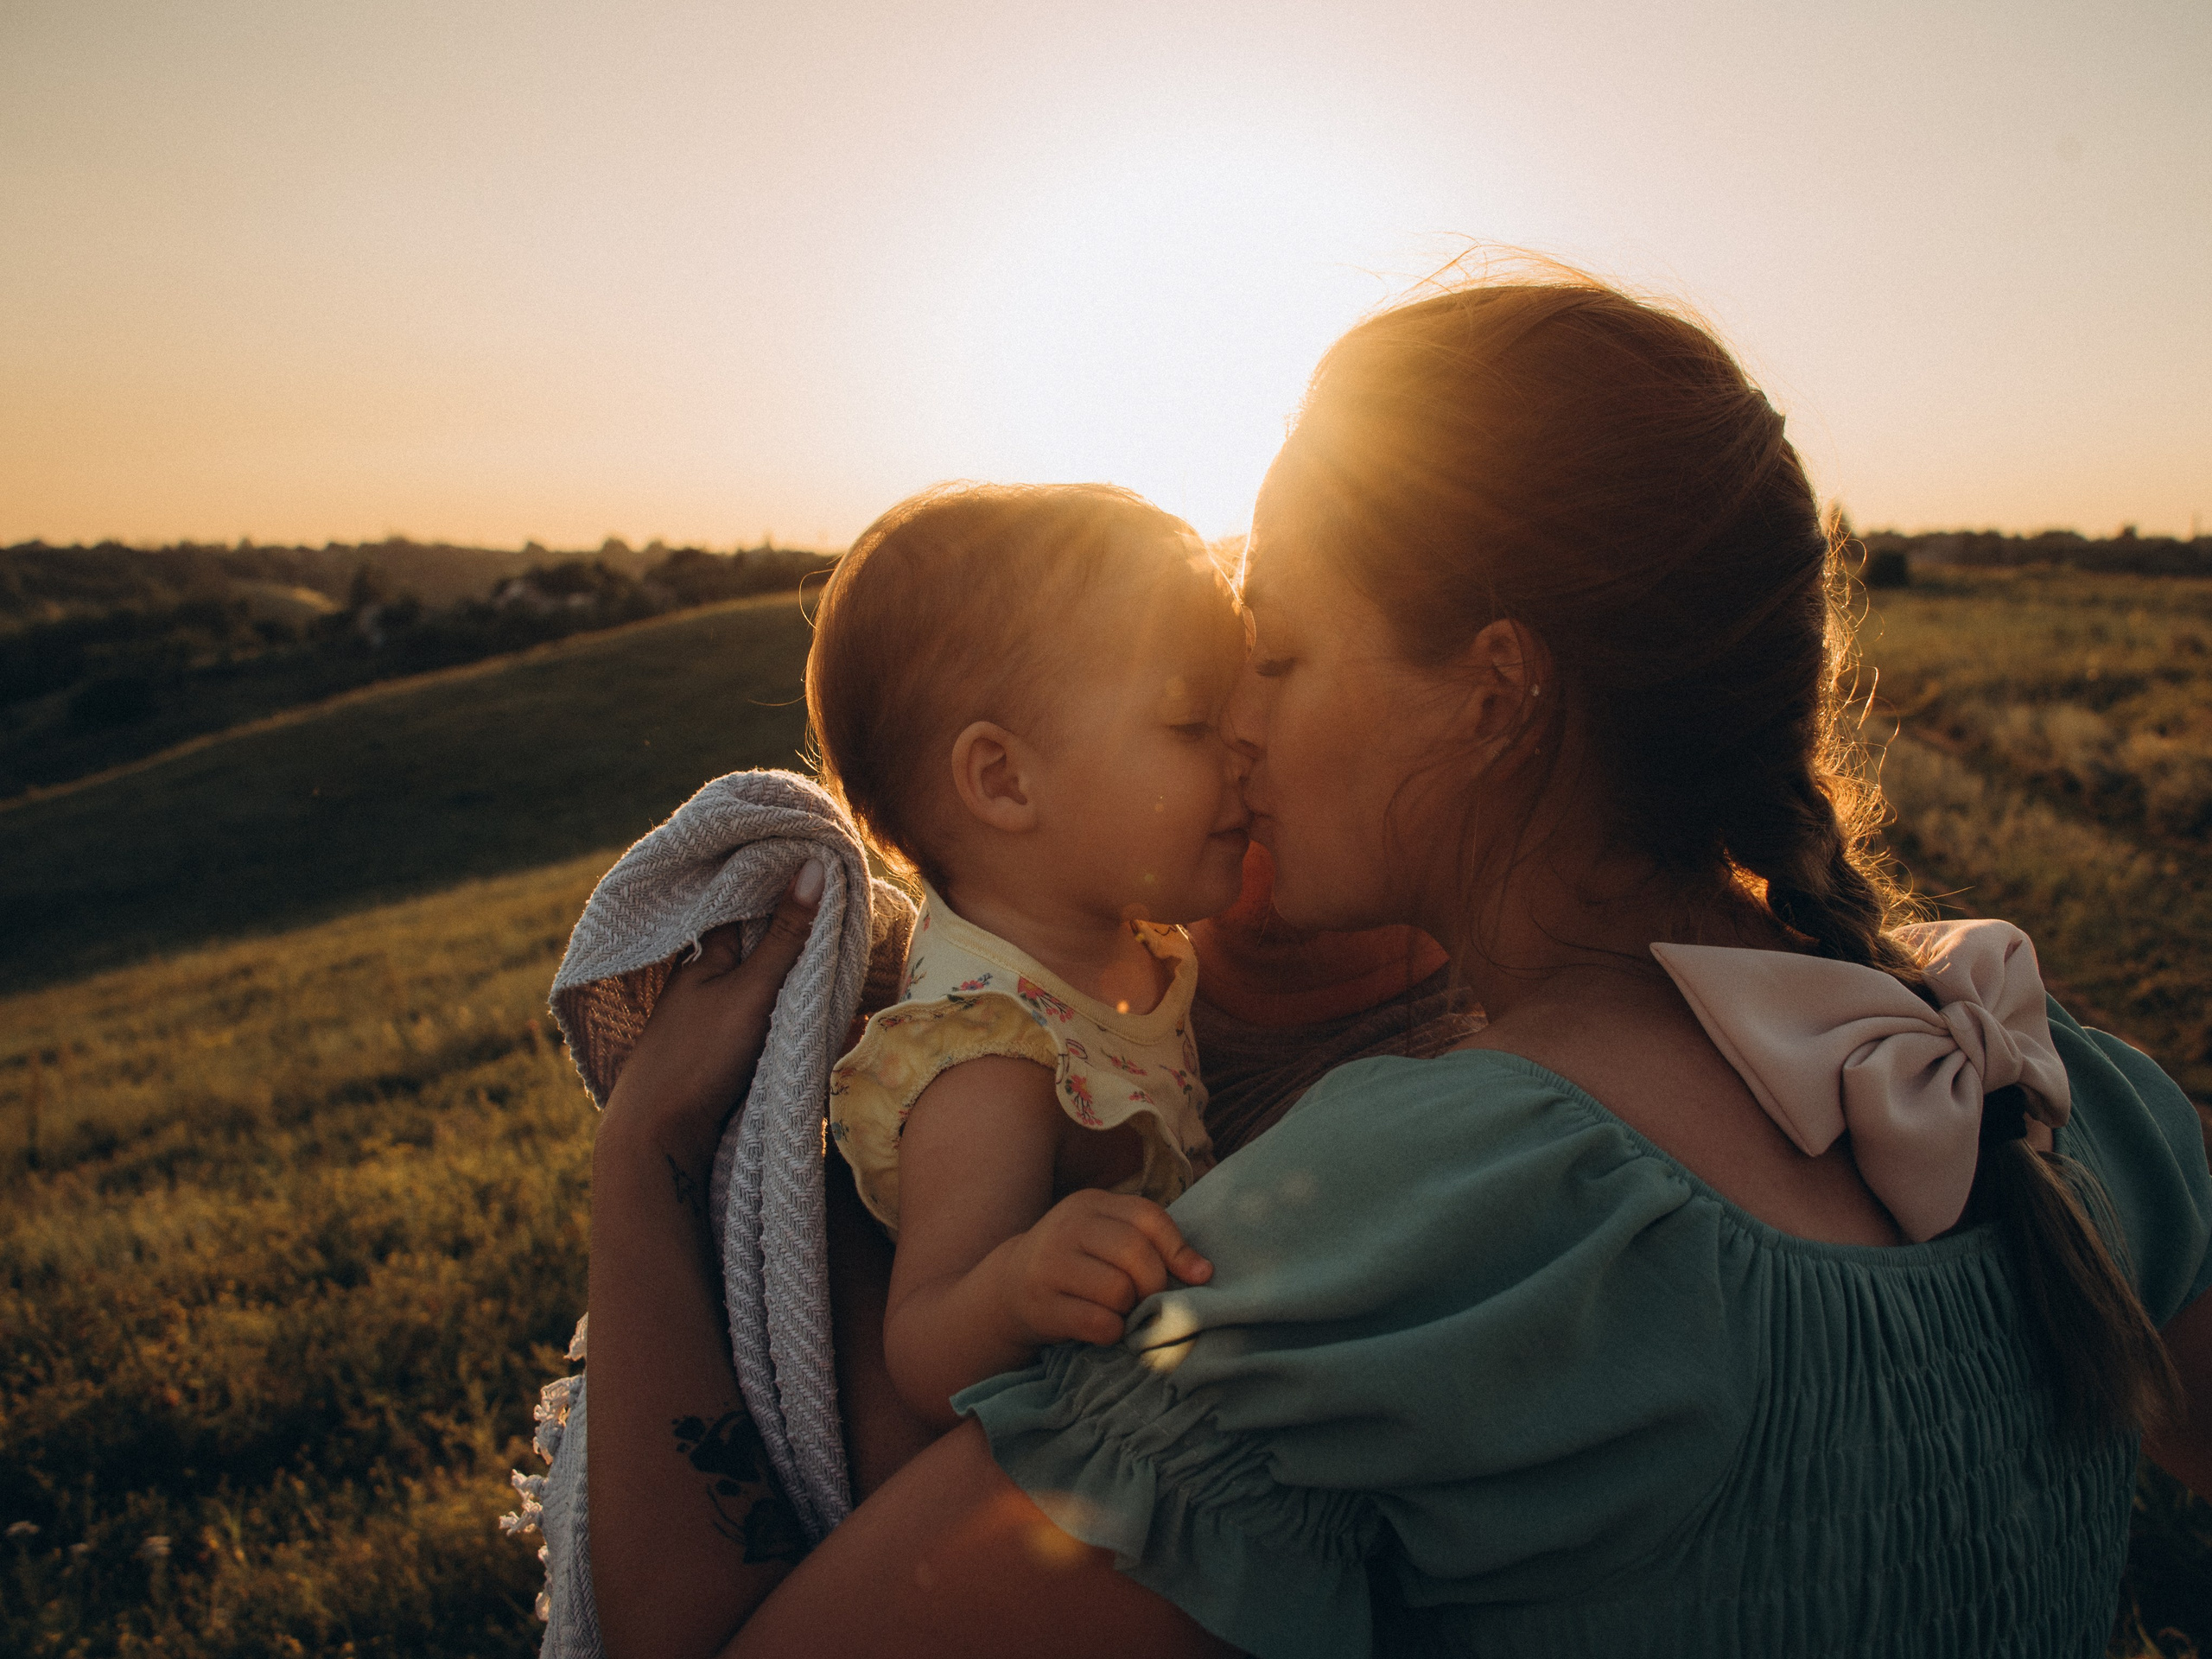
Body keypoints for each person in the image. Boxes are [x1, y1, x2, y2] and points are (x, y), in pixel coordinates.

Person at [584, 276, 2212, 1657]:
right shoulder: (2065, 1092)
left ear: (1494, 693)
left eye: (1279, 652)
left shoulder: (1417, 1227)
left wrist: (654, 1165)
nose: (1244, 724)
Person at [806, 482, 1242, 1427]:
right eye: (1188, 722)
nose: (1240, 747)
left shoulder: (1105, 937)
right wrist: (1015, 1284)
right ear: (1004, 780)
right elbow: (921, 1346)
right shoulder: (991, 1054)